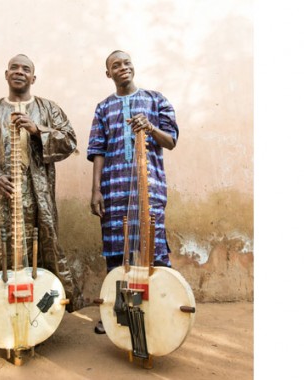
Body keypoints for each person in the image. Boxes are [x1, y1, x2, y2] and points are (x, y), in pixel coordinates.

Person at [0, 54, 84, 341]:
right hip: (2, 197)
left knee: (41, 253)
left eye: (25, 69)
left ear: (33, 78)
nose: (19, 72)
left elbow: (70, 141)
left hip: (38, 198)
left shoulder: (48, 109)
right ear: (6, 75)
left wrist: (38, 129)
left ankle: (41, 319)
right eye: (14, 68)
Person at [87, 50, 179, 334]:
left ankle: (165, 310)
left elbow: (172, 140)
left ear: (133, 67)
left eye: (127, 63)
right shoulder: (103, 108)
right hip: (113, 191)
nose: (122, 67)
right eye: (116, 65)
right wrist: (96, 191)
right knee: (116, 255)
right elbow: (97, 150)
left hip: (149, 188)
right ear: (108, 74)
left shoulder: (156, 99)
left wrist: (150, 127)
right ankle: (115, 314)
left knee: (154, 250)